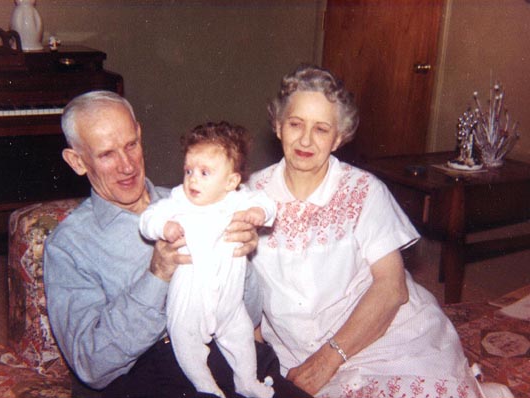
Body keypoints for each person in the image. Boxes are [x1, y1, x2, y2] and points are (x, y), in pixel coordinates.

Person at [246, 65, 509, 398]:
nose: (306, 140)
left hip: (377, 336)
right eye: (296, 124)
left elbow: (391, 288)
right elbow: (241, 288)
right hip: (291, 349)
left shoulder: (364, 191)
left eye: (322, 129)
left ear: (339, 137)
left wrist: (328, 360)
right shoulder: (249, 195)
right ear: (279, 126)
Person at [43, 90, 312, 398]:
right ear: (77, 161)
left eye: (131, 145)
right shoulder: (69, 245)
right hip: (150, 374)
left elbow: (248, 316)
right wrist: (156, 276)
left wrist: (240, 257)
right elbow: (91, 364)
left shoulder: (198, 200)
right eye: (107, 154)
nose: (127, 165)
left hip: (229, 355)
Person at [139, 122, 277, 398]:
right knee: (187, 347)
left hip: (229, 304)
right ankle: (206, 387)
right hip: (189, 305)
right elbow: (148, 218)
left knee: (242, 340)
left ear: (231, 181)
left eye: (204, 173)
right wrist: (163, 228)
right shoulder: (179, 202)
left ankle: (247, 381)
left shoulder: (238, 201)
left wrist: (258, 214)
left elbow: (267, 203)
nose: (193, 179)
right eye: (188, 170)